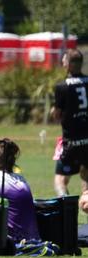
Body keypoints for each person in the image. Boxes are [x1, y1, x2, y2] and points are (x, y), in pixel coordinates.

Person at [51, 49, 88, 197]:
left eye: (64, 60)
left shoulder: (62, 86)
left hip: (71, 141)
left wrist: (53, 112)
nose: (62, 63)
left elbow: (57, 114)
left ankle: (67, 210)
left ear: (70, 65)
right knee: (86, 176)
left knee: (60, 180)